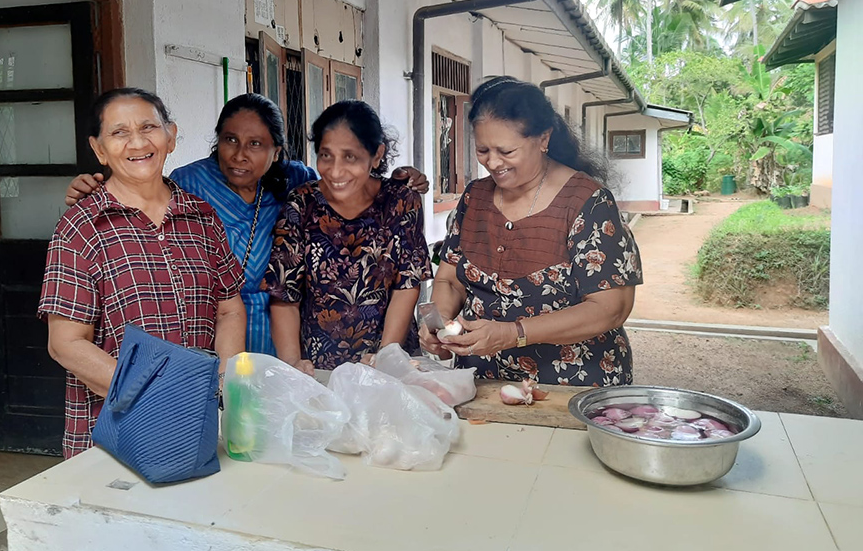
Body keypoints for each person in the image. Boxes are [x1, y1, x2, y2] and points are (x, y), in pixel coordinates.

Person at [65, 94, 429, 356]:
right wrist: (94, 186)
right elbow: (137, 193)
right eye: (230, 140)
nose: (240, 155)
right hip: (212, 335)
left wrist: (402, 178)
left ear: (276, 152)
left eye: (256, 144)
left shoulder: (293, 184)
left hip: (277, 339)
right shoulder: (187, 184)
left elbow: (350, 177)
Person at [39, 88, 247, 458]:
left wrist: (223, 389)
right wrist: (153, 395)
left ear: (171, 137)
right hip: (114, 431)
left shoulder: (201, 217)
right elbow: (66, 343)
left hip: (197, 423)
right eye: (119, 132)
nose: (137, 142)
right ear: (99, 149)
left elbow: (228, 307)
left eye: (149, 127)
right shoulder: (82, 227)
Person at [419, 76, 642, 386]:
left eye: (506, 151)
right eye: (482, 150)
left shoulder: (588, 202)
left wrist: (514, 334)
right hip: (481, 383)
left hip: (570, 386)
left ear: (543, 139)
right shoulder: (475, 197)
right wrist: (439, 325)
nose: (493, 163)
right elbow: (449, 280)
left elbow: (609, 309)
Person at [264, 100, 432, 374]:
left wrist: (385, 357)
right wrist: (293, 362)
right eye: (326, 155)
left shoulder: (400, 201)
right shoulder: (302, 204)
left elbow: (406, 286)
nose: (335, 170)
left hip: (391, 362)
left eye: (350, 157)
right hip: (319, 368)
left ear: (377, 155)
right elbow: (285, 293)